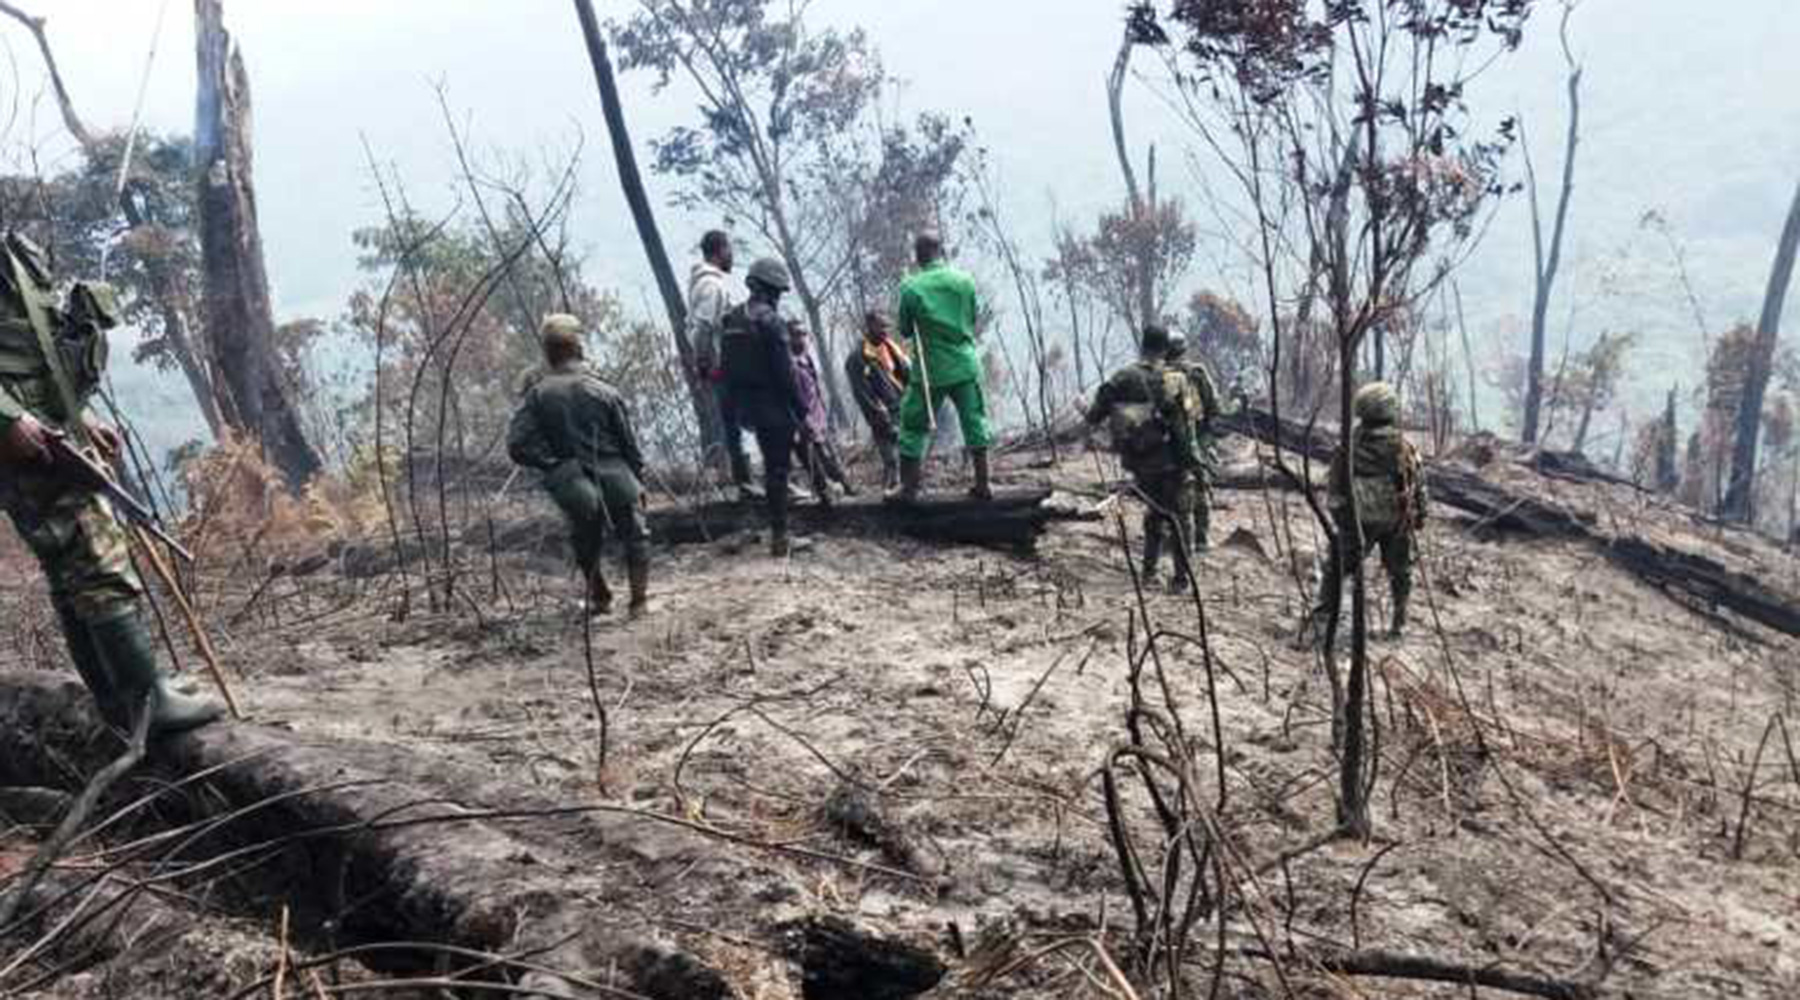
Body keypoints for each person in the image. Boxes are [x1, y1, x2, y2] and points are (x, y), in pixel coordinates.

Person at [0, 232, 221, 734]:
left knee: (71, 569)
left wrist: (79, 414)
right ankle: (149, 701)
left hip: (44, 426)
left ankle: (120, 698)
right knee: (98, 561)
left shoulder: (14, 248)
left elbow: (34, 348)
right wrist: (5, 417)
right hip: (23, 437)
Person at [507, 314, 652, 618]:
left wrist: (551, 464)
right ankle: (639, 603)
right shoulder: (605, 391)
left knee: (585, 540)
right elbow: (630, 446)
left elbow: (517, 445)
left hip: (571, 478)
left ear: (548, 351)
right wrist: (639, 482)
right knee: (636, 536)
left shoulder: (539, 394)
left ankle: (601, 598)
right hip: (616, 473)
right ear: (577, 347)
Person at [1306, 381, 1427, 643]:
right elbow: (1418, 486)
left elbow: (1334, 489)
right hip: (1396, 522)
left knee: (1336, 570)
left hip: (1357, 523)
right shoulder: (1404, 447)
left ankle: (1323, 618)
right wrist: (1418, 518)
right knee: (1401, 572)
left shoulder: (1348, 447)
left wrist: (1344, 520)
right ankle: (1398, 623)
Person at [1085, 324, 1201, 592]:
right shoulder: (1178, 379)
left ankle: (1148, 573)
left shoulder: (1122, 377)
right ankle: (1181, 580)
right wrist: (1191, 460)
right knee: (1181, 519)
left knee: (1154, 514)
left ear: (1142, 345)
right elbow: (1191, 420)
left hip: (1141, 461)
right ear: (1165, 349)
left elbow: (1094, 415)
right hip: (1174, 461)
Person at [891, 231, 993, 502]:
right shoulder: (965, 281)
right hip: (964, 364)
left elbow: (904, 329)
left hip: (931, 370)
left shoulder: (911, 288)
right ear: (941, 251)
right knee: (975, 421)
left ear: (918, 254)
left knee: (913, 425)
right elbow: (972, 318)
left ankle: (908, 489)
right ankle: (983, 484)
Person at [720, 258, 806, 556]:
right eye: (778, 292)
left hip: (745, 407)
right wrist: (802, 409)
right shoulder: (771, 322)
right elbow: (786, 374)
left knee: (768, 471)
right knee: (778, 471)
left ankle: (773, 533)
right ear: (771, 291)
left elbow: (726, 371)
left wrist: (734, 408)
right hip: (774, 407)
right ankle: (781, 538)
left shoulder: (731, 319)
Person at [686, 230, 757, 502]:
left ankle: (744, 481)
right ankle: (747, 481)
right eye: (729, 249)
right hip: (725, 367)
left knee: (735, 424)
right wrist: (704, 362)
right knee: (749, 419)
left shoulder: (704, 284)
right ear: (719, 250)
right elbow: (702, 328)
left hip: (723, 366)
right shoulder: (711, 287)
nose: (732, 255)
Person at [788, 321, 855, 506]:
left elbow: (815, 391)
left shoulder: (807, 358)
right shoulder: (788, 365)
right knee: (816, 461)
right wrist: (804, 422)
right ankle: (827, 495)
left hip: (819, 418)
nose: (802, 338)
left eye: (804, 333)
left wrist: (822, 415)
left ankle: (847, 488)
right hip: (804, 421)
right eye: (797, 334)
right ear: (789, 337)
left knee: (831, 457)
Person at [1166, 333, 1222, 551]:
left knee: (1173, 491)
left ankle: (1177, 541)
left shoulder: (1158, 375)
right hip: (1199, 439)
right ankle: (1201, 539)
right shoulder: (1197, 373)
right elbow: (1215, 407)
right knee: (1202, 488)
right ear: (1184, 349)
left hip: (1170, 443)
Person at [844, 311, 910, 490]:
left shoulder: (890, 347)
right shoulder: (857, 358)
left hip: (902, 407)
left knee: (908, 459)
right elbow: (863, 395)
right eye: (881, 326)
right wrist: (884, 421)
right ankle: (887, 502)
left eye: (887, 326)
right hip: (883, 415)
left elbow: (905, 374)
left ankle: (904, 497)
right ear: (869, 326)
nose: (885, 331)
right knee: (891, 462)